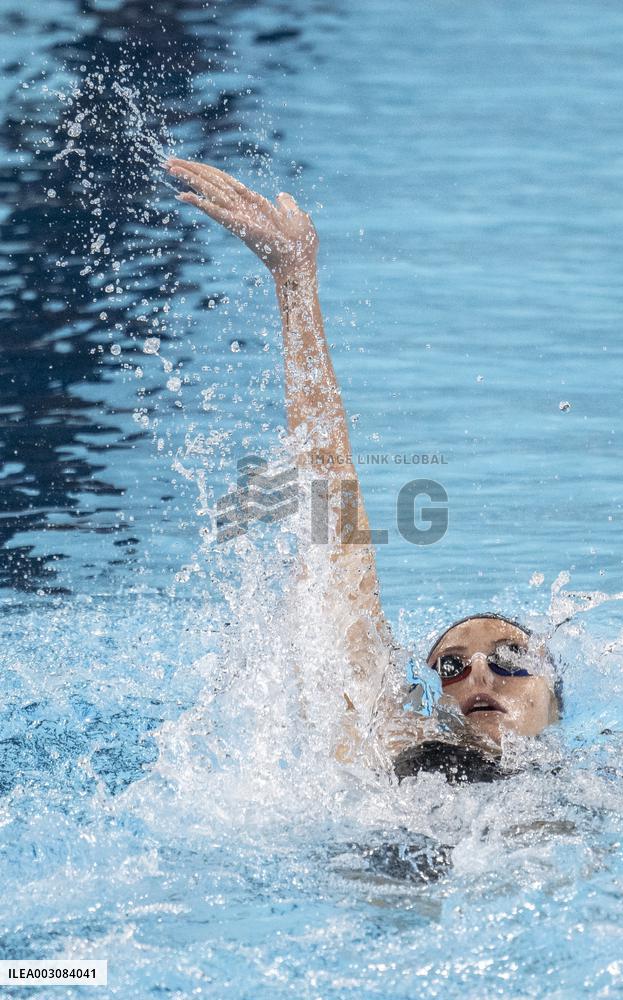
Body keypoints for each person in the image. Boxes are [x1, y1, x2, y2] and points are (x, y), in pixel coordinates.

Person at [163, 157, 562, 780]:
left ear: (556, 698)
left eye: (510, 657)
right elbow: (331, 510)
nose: (479, 673)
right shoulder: (393, 734)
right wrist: (294, 281)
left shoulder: (614, 780)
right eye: (451, 667)